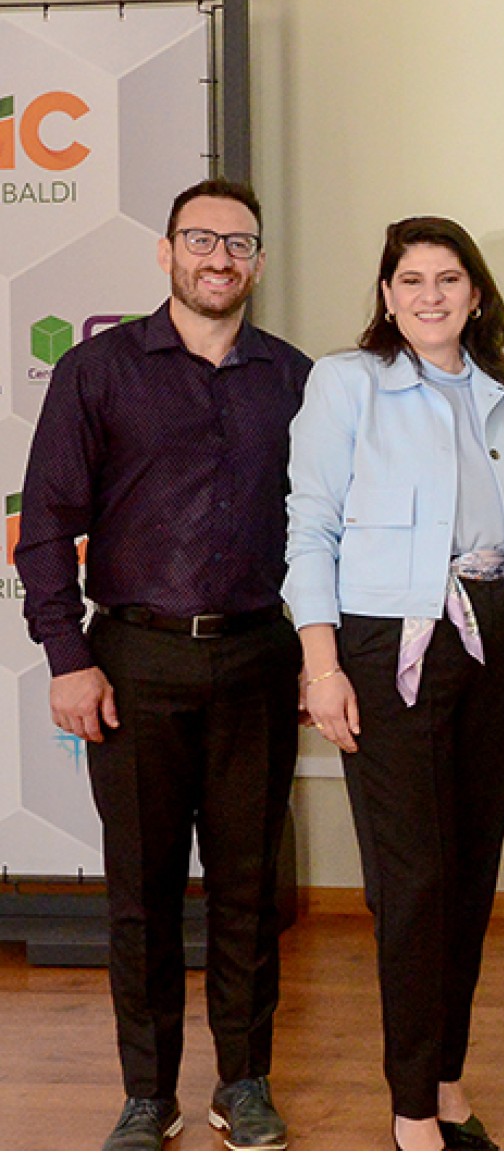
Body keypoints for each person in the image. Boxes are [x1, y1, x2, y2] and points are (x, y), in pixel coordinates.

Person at [17, 179, 310, 1152]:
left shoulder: (295, 378)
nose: (220, 258)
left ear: (257, 260)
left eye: (239, 243)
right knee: (140, 893)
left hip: (258, 659)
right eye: (201, 239)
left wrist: (319, 657)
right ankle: (147, 1094)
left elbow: (325, 526)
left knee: (246, 890)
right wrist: (67, 657)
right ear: (167, 251)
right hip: (132, 663)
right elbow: (45, 525)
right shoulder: (98, 371)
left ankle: (244, 1082)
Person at [285, 217, 504, 1152]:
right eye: (411, 280)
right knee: (413, 882)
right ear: (387, 296)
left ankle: (446, 1078)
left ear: (476, 295)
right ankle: (409, 1108)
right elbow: (310, 526)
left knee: (471, 876)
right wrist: (320, 664)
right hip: (386, 644)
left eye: (448, 279)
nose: (430, 295)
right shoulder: (348, 382)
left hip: (501, 643)